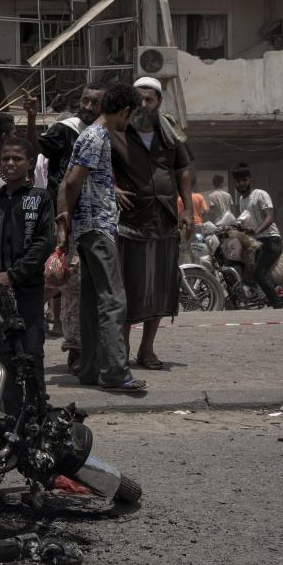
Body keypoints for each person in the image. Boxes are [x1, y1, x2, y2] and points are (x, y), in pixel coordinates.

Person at [55, 83, 146, 392]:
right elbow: (72, 182)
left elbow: (76, 180)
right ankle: (115, 372)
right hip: (97, 226)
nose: (129, 123)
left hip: (90, 227)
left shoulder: (92, 135)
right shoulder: (96, 136)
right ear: (125, 111)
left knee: (93, 301)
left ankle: (91, 369)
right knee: (113, 299)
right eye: (131, 116)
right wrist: (66, 222)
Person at [110, 76, 193, 371]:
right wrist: (114, 189)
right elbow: (96, 168)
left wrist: (188, 209)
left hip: (165, 219)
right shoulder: (117, 131)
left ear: (159, 101)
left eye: (150, 99)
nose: (144, 104)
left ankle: (147, 350)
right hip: (130, 222)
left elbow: (183, 169)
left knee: (159, 288)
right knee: (128, 289)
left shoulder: (169, 132)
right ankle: (124, 350)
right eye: (139, 99)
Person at [25, 83, 106, 372]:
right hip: (67, 218)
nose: (87, 107)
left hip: (99, 219)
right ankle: (75, 348)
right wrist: (32, 118)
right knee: (71, 286)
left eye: (94, 103)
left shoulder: (107, 134)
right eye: (84, 100)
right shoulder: (66, 129)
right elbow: (37, 150)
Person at [0, 137, 54, 413]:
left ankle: (37, 414)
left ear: (29, 163)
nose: (10, 164)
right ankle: (11, 416)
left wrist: (14, 275)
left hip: (29, 290)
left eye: (16, 159)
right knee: (6, 356)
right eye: (5, 158)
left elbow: (44, 243)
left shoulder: (40, 199)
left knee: (32, 352)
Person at [233, 163, 283, 308]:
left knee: (259, 273)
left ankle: (277, 304)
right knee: (247, 269)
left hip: (271, 241)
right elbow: (245, 219)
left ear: (250, 179)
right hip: (257, 242)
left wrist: (256, 230)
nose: (241, 183)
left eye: (244, 180)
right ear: (235, 183)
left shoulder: (260, 194)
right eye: (238, 181)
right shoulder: (241, 200)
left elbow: (270, 217)